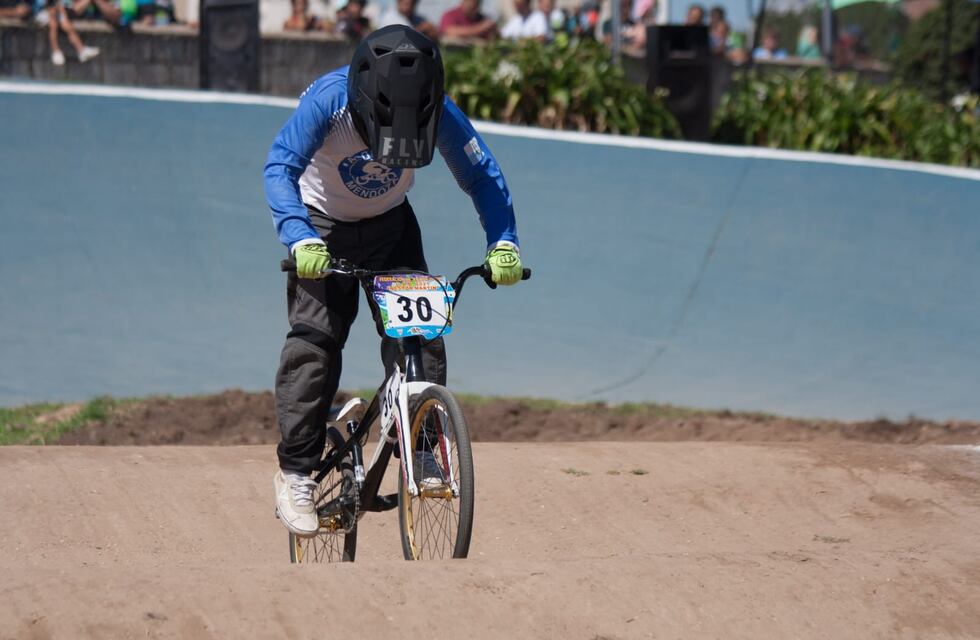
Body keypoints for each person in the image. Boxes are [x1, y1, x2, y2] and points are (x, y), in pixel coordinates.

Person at [264, 25, 524, 537]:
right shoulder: (328, 102)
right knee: (315, 343)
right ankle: (295, 472)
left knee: (422, 335)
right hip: (321, 229)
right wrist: (299, 237)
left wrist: (504, 241)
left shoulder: (439, 109)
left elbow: (481, 175)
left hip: (391, 227)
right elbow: (280, 167)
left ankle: (425, 449)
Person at [41, 0, 100, 66]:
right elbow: (48, 6)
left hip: (57, 11)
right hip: (43, 13)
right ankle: (56, 51)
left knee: (65, 23)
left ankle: (81, 50)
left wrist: (61, 13)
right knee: (53, 24)